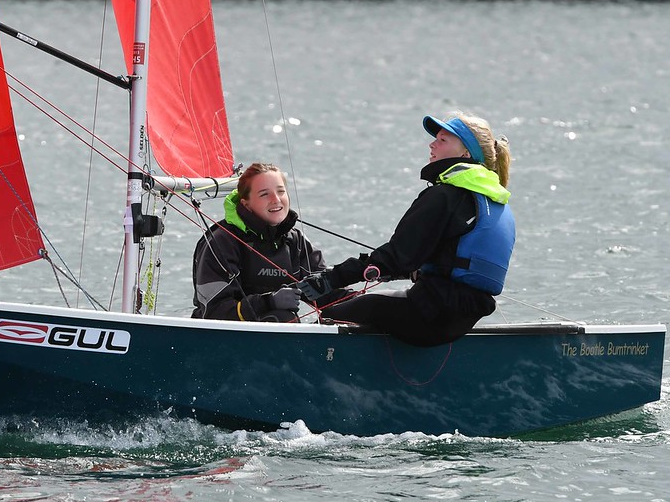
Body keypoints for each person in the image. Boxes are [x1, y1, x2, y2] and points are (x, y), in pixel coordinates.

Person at [294, 112, 515, 346]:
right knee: (366, 302)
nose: (432, 144)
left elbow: (395, 257)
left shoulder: (444, 196)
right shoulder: (494, 200)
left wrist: (329, 280)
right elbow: (439, 259)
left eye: (442, 140)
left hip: (430, 315)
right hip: (462, 319)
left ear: (466, 153)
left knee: (336, 314)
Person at [191, 162, 334, 321]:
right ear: (246, 204)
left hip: (278, 334)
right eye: (264, 194)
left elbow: (327, 293)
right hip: (224, 335)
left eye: (281, 191)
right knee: (282, 317)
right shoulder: (222, 241)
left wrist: (358, 274)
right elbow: (214, 312)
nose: (276, 199)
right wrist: (269, 302)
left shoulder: (296, 241)